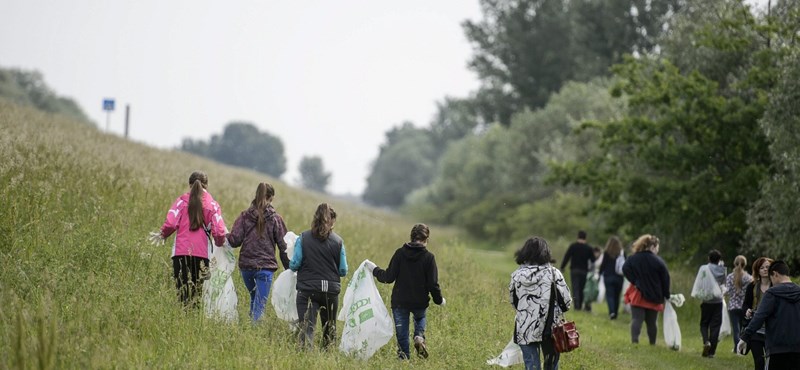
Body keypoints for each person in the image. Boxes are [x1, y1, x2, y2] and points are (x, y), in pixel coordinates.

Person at [365, 223, 445, 360]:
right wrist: (439, 300)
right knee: (420, 318)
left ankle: (403, 359)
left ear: (411, 238)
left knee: (402, 335)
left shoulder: (400, 253)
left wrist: (374, 269)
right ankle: (419, 336)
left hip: (400, 301)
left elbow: (388, 278)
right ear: (426, 239)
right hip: (419, 301)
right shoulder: (429, 258)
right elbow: (433, 284)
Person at [149, 171, 227, 307]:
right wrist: (220, 244)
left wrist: (163, 234)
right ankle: (193, 322)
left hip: (180, 252)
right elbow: (219, 232)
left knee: (182, 294)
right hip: (202, 255)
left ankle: (181, 319)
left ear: (189, 184)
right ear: (206, 186)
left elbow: (172, 223)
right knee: (196, 296)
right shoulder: (213, 205)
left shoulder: (181, 201)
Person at [226, 182, 291, 322]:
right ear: (271, 198)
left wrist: (222, 235)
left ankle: (249, 328)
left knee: (254, 298)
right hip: (265, 268)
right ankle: (254, 331)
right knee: (260, 305)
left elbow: (234, 240)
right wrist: (289, 269)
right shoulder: (276, 219)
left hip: (246, 267)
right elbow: (284, 246)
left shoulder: (244, 216)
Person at [289, 203, 348, 350]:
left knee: (307, 329)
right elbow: (343, 270)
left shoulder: (303, 238)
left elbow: (295, 264)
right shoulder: (339, 242)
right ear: (331, 222)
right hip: (331, 292)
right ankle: (327, 358)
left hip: (308, 290)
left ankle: (305, 357)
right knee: (329, 331)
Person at [510, 236, 572, 370]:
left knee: (531, 366)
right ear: (546, 253)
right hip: (550, 329)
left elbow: (514, 302)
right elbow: (566, 302)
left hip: (524, 327)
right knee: (551, 365)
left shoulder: (517, 275)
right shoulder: (554, 273)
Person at [738, 261, 800, 369]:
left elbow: (759, 317)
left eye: (771, 278)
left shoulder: (772, 293)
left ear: (775, 274)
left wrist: (745, 337)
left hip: (776, 349)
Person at [622, 234, 670, 345]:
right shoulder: (659, 262)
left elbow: (625, 268)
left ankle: (635, 341)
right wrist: (666, 295)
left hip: (638, 294)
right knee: (652, 322)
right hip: (655, 296)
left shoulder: (634, 258)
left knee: (636, 319)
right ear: (653, 247)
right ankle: (652, 343)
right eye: (657, 247)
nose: (657, 250)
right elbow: (665, 279)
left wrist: (634, 281)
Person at [740, 257, 773, 370]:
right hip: (755, 330)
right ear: (757, 270)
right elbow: (745, 305)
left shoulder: (777, 287)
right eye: (762, 267)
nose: (765, 269)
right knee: (759, 362)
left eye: (767, 267)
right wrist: (747, 310)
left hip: (772, 330)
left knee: (772, 363)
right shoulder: (752, 286)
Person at [695, 249, 726, 358]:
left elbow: (700, 282)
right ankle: (712, 352)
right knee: (715, 326)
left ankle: (706, 341)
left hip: (706, 300)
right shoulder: (722, 270)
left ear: (709, 258)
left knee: (704, 323)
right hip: (718, 301)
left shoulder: (704, 269)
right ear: (719, 260)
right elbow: (723, 284)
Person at [560, 230, 596, 311]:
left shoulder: (573, 246)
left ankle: (576, 306)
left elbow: (567, 257)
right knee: (582, 288)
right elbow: (593, 260)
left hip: (574, 270)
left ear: (578, 237)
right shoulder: (588, 248)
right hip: (584, 271)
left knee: (575, 287)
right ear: (585, 238)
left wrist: (562, 267)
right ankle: (580, 305)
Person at [725, 255, 753, 353]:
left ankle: (737, 349)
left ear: (734, 263)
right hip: (744, 307)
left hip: (733, 306)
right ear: (745, 264)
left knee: (736, 330)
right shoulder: (748, 278)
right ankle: (739, 349)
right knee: (742, 329)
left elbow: (727, 291)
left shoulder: (729, 277)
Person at [598, 236, 625, 319]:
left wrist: (600, 274)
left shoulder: (607, 252)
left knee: (610, 295)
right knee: (617, 296)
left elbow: (603, 265)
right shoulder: (621, 253)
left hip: (608, 276)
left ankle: (612, 312)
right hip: (619, 277)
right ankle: (615, 313)